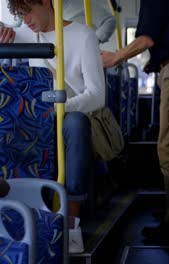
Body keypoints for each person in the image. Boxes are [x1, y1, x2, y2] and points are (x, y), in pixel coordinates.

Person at [0, 0, 106, 253]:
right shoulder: (18, 36)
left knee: (77, 125)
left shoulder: (83, 36)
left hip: (68, 112)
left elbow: (97, 95)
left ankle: (71, 222)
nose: (25, 20)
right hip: (27, 117)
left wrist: (59, 108)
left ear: (47, 3)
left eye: (29, 11)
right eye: (19, 14)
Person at [101, 0, 169, 239]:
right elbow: (168, 37)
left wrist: (115, 57)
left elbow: (146, 40)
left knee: (168, 148)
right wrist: (156, 61)